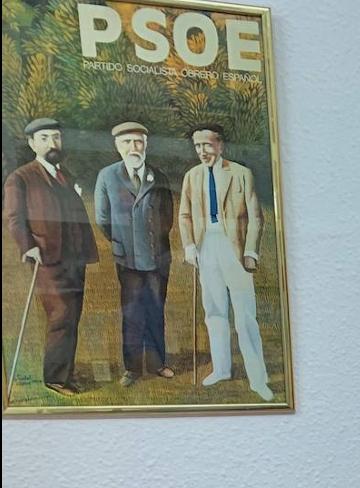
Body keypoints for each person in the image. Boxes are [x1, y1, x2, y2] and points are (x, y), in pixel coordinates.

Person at [2, 117, 99, 397]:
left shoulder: (64, 174)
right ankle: (55, 378)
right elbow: (14, 217)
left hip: (74, 257)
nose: (52, 143)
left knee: (73, 315)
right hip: (46, 257)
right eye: (44, 138)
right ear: (32, 143)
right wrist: (27, 246)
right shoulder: (20, 177)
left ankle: (65, 370)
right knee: (61, 314)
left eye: (56, 137)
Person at [178, 123, 272, 401]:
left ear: (220, 146)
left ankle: (258, 378)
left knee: (245, 315)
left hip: (235, 249)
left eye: (207, 145)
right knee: (214, 311)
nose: (202, 151)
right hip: (206, 248)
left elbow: (256, 217)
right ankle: (221, 369)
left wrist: (251, 252)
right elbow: (184, 215)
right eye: (197, 146)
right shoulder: (192, 176)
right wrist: (189, 246)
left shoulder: (241, 173)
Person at [95, 121, 176, 387]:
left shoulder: (158, 176)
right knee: (132, 313)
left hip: (157, 257)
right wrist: (122, 242)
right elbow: (103, 219)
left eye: (138, 142)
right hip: (127, 259)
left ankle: (157, 363)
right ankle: (132, 369)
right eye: (127, 142)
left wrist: (154, 242)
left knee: (155, 309)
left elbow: (167, 217)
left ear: (146, 145)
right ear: (117, 146)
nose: (134, 147)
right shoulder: (107, 176)